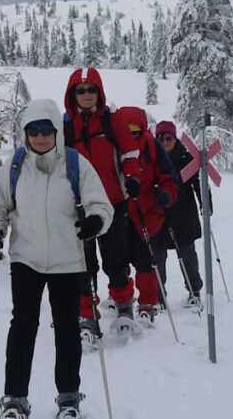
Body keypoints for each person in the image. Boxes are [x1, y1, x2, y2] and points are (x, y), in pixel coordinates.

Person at [0, 98, 113, 419]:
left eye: (46, 130)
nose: (40, 137)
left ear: (57, 132)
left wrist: (96, 222)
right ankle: (15, 401)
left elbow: (102, 205)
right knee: (23, 327)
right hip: (25, 258)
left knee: (68, 331)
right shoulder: (13, 166)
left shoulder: (75, 164)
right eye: (33, 131)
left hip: (69, 261)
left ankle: (69, 399)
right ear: (25, 133)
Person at [62, 68, 144, 339]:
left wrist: (132, 176)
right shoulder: (64, 124)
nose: (86, 95)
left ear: (99, 91)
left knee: (116, 261)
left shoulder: (112, 119)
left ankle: (123, 309)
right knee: (82, 264)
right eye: (80, 90)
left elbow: (129, 152)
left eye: (91, 89)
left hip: (113, 203)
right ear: (73, 94)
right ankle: (87, 314)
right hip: (79, 207)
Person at [111, 107, 179, 323]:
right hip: (118, 214)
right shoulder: (111, 144)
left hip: (146, 214)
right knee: (117, 261)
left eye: (136, 132)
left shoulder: (152, 146)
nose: (131, 137)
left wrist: (166, 195)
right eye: (126, 132)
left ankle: (148, 303)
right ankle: (121, 299)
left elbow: (169, 177)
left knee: (145, 262)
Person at [154, 120, 204, 309]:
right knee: (158, 258)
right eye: (161, 138)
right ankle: (158, 296)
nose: (165, 142)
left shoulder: (186, 158)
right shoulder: (152, 159)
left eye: (168, 138)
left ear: (175, 139)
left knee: (187, 255)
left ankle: (194, 291)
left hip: (184, 215)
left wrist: (204, 202)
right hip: (159, 215)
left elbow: (198, 182)